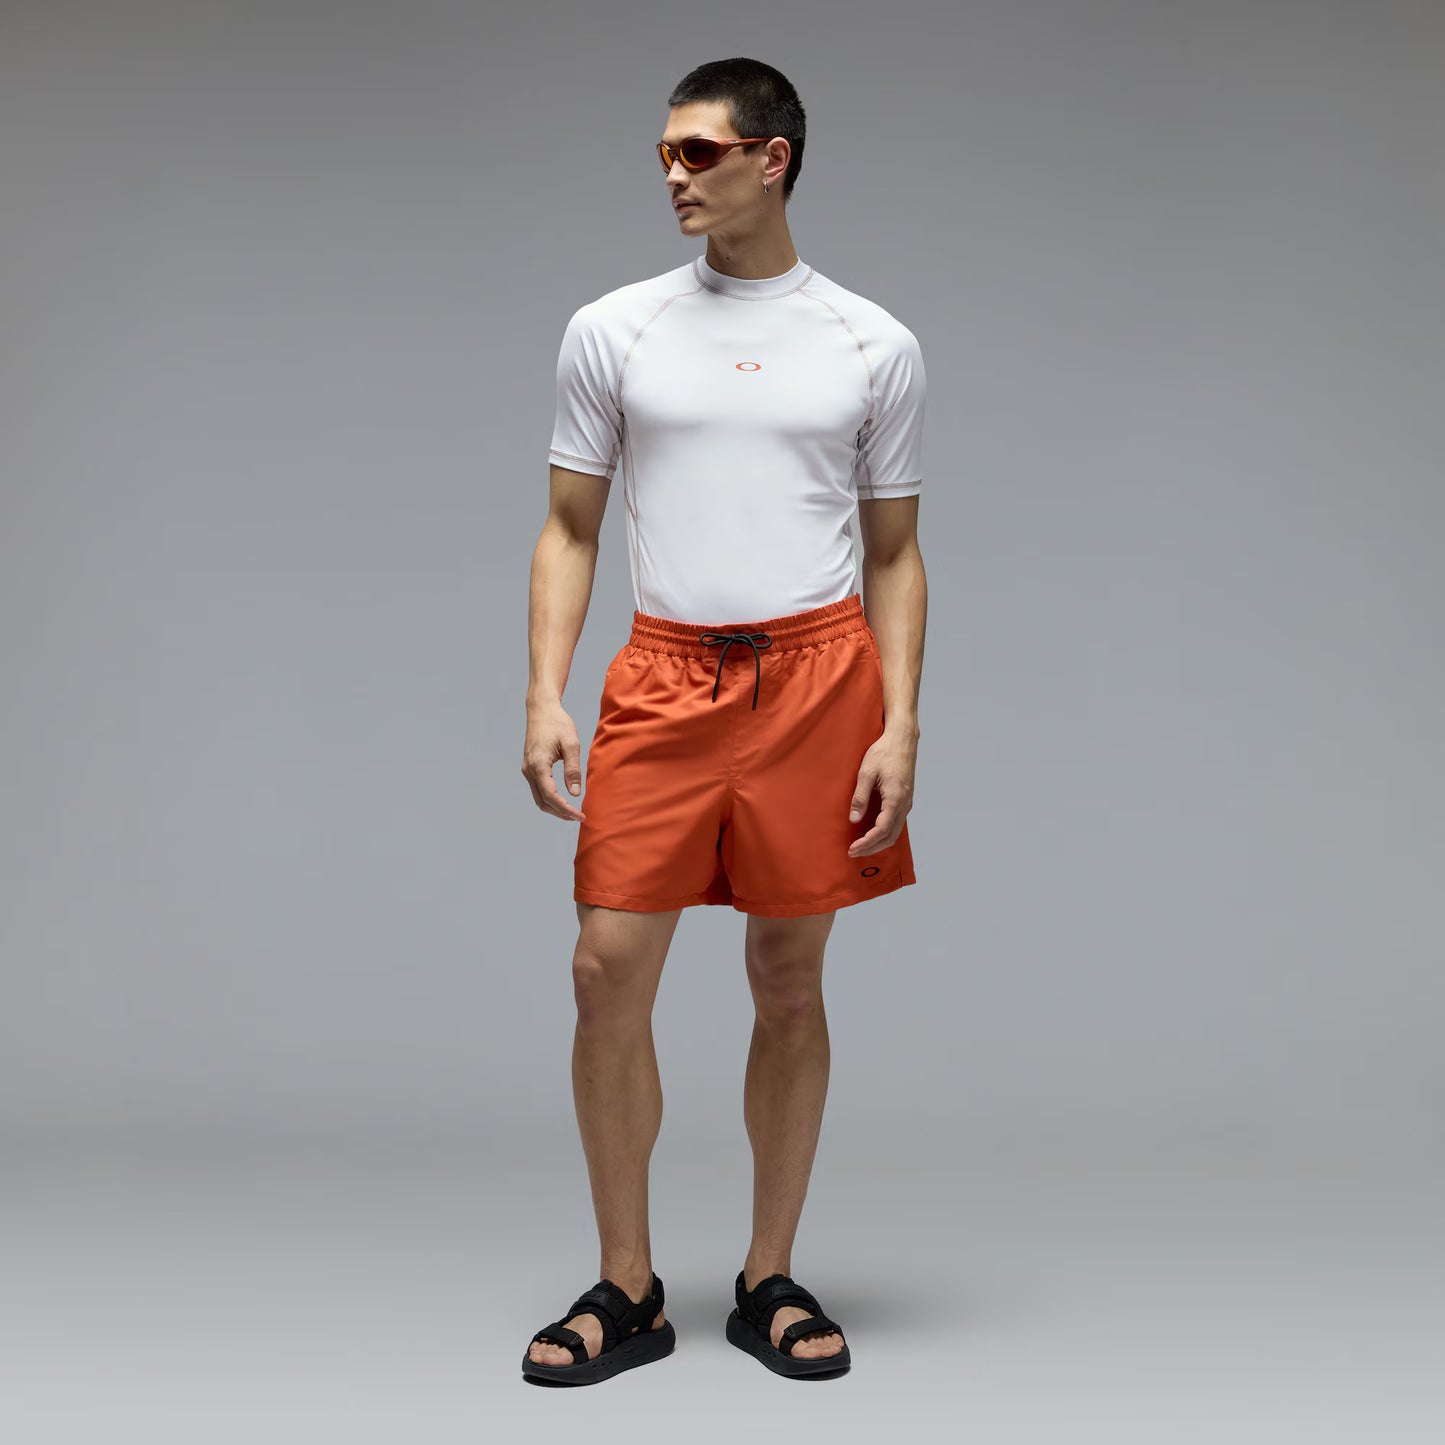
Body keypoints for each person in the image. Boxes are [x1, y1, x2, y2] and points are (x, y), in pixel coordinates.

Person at [519, 56, 927, 1385]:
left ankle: (768, 1274)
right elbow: (569, 526)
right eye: (664, 153)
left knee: (789, 978)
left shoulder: (870, 343)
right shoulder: (615, 328)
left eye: (697, 152)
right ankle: (627, 1284)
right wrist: (545, 690)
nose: (673, 175)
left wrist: (900, 723)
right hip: (664, 677)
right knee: (605, 971)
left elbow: (894, 553)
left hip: (818, 680)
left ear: (772, 159)